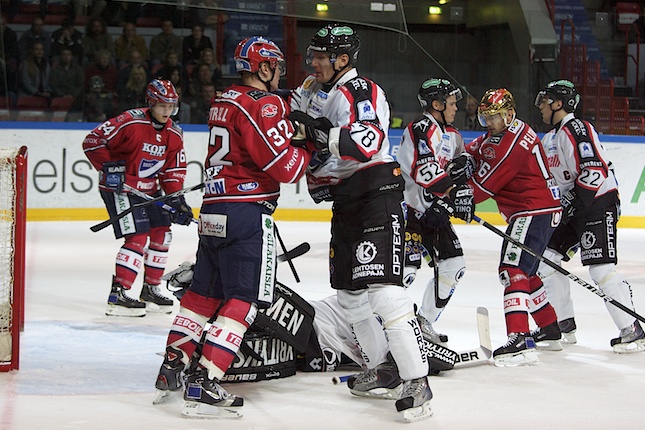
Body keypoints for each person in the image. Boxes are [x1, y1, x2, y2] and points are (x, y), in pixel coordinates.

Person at [153, 36, 316, 418]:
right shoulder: (265, 103)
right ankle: (206, 379)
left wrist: (290, 107)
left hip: (212, 211)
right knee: (242, 300)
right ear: (263, 68)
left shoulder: (224, 99)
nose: (279, 72)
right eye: (274, 65)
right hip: (246, 215)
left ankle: (172, 367)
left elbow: (255, 122)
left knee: (201, 297)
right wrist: (308, 144)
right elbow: (285, 167)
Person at [289, 23, 432, 422]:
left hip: (375, 193)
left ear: (343, 60)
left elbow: (366, 141)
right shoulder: (313, 89)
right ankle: (383, 367)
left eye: (321, 56)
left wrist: (318, 133)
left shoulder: (360, 90)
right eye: (313, 54)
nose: (313, 61)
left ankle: (417, 379)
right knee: (351, 296)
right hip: (347, 199)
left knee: (383, 293)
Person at [534, 79, 644, 353]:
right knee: (546, 262)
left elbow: (594, 171)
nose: (541, 108)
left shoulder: (577, 128)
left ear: (559, 103)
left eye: (546, 102)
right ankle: (562, 325)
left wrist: (571, 202)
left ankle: (632, 329)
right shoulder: (549, 138)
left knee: (601, 269)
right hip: (574, 208)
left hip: (597, 203)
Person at [457, 88, 563, 366]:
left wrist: (459, 196)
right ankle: (549, 327)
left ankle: (520, 337)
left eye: (494, 117)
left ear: (509, 115)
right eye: (485, 118)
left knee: (512, 270)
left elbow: (485, 184)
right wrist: (468, 157)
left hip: (532, 211)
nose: (488, 123)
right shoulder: (511, 132)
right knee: (527, 272)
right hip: (540, 210)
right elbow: (478, 149)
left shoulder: (511, 143)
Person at [82, 78, 192, 317]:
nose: (167, 111)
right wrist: (110, 167)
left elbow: (173, 171)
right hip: (120, 189)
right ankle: (119, 292)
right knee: (138, 237)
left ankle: (151, 288)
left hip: (149, 191)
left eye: (171, 106)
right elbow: (93, 141)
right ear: (150, 103)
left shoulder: (174, 133)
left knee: (163, 233)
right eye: (162, 105)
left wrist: (176, 200)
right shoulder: (129, 121)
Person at [397, 78, 468, 346]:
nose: (455, 109)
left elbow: (460, 162)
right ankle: (383, 329)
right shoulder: (422, 127)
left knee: (453, 265)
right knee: (405, 273)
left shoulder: (451, 135)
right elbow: (424, 170)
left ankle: (423, 323)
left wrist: (464, 167)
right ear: (436, 104)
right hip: (408, 212)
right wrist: (452, 192)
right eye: (451, 103)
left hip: (432, 212)